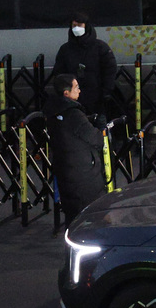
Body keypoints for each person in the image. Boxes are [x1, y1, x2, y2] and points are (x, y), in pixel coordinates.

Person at [44, 74, 108, 225]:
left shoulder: (53, 112)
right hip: (84, 175)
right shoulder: (74, 114)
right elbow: (97, 139)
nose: (79, 91)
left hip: (64, 171)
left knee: (72, 217)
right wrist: (100, 127)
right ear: (66, 93)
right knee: (92, 215)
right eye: (76, 88)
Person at [53, 12, 117, 118]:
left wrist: (106, 92)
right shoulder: (65, 49)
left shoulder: (101, 47)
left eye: (80, 25)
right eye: (74, 25)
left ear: (86, 26)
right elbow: (59, 73)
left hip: (96, 98)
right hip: (73, 99)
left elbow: (110, 70)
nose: (76, 28)